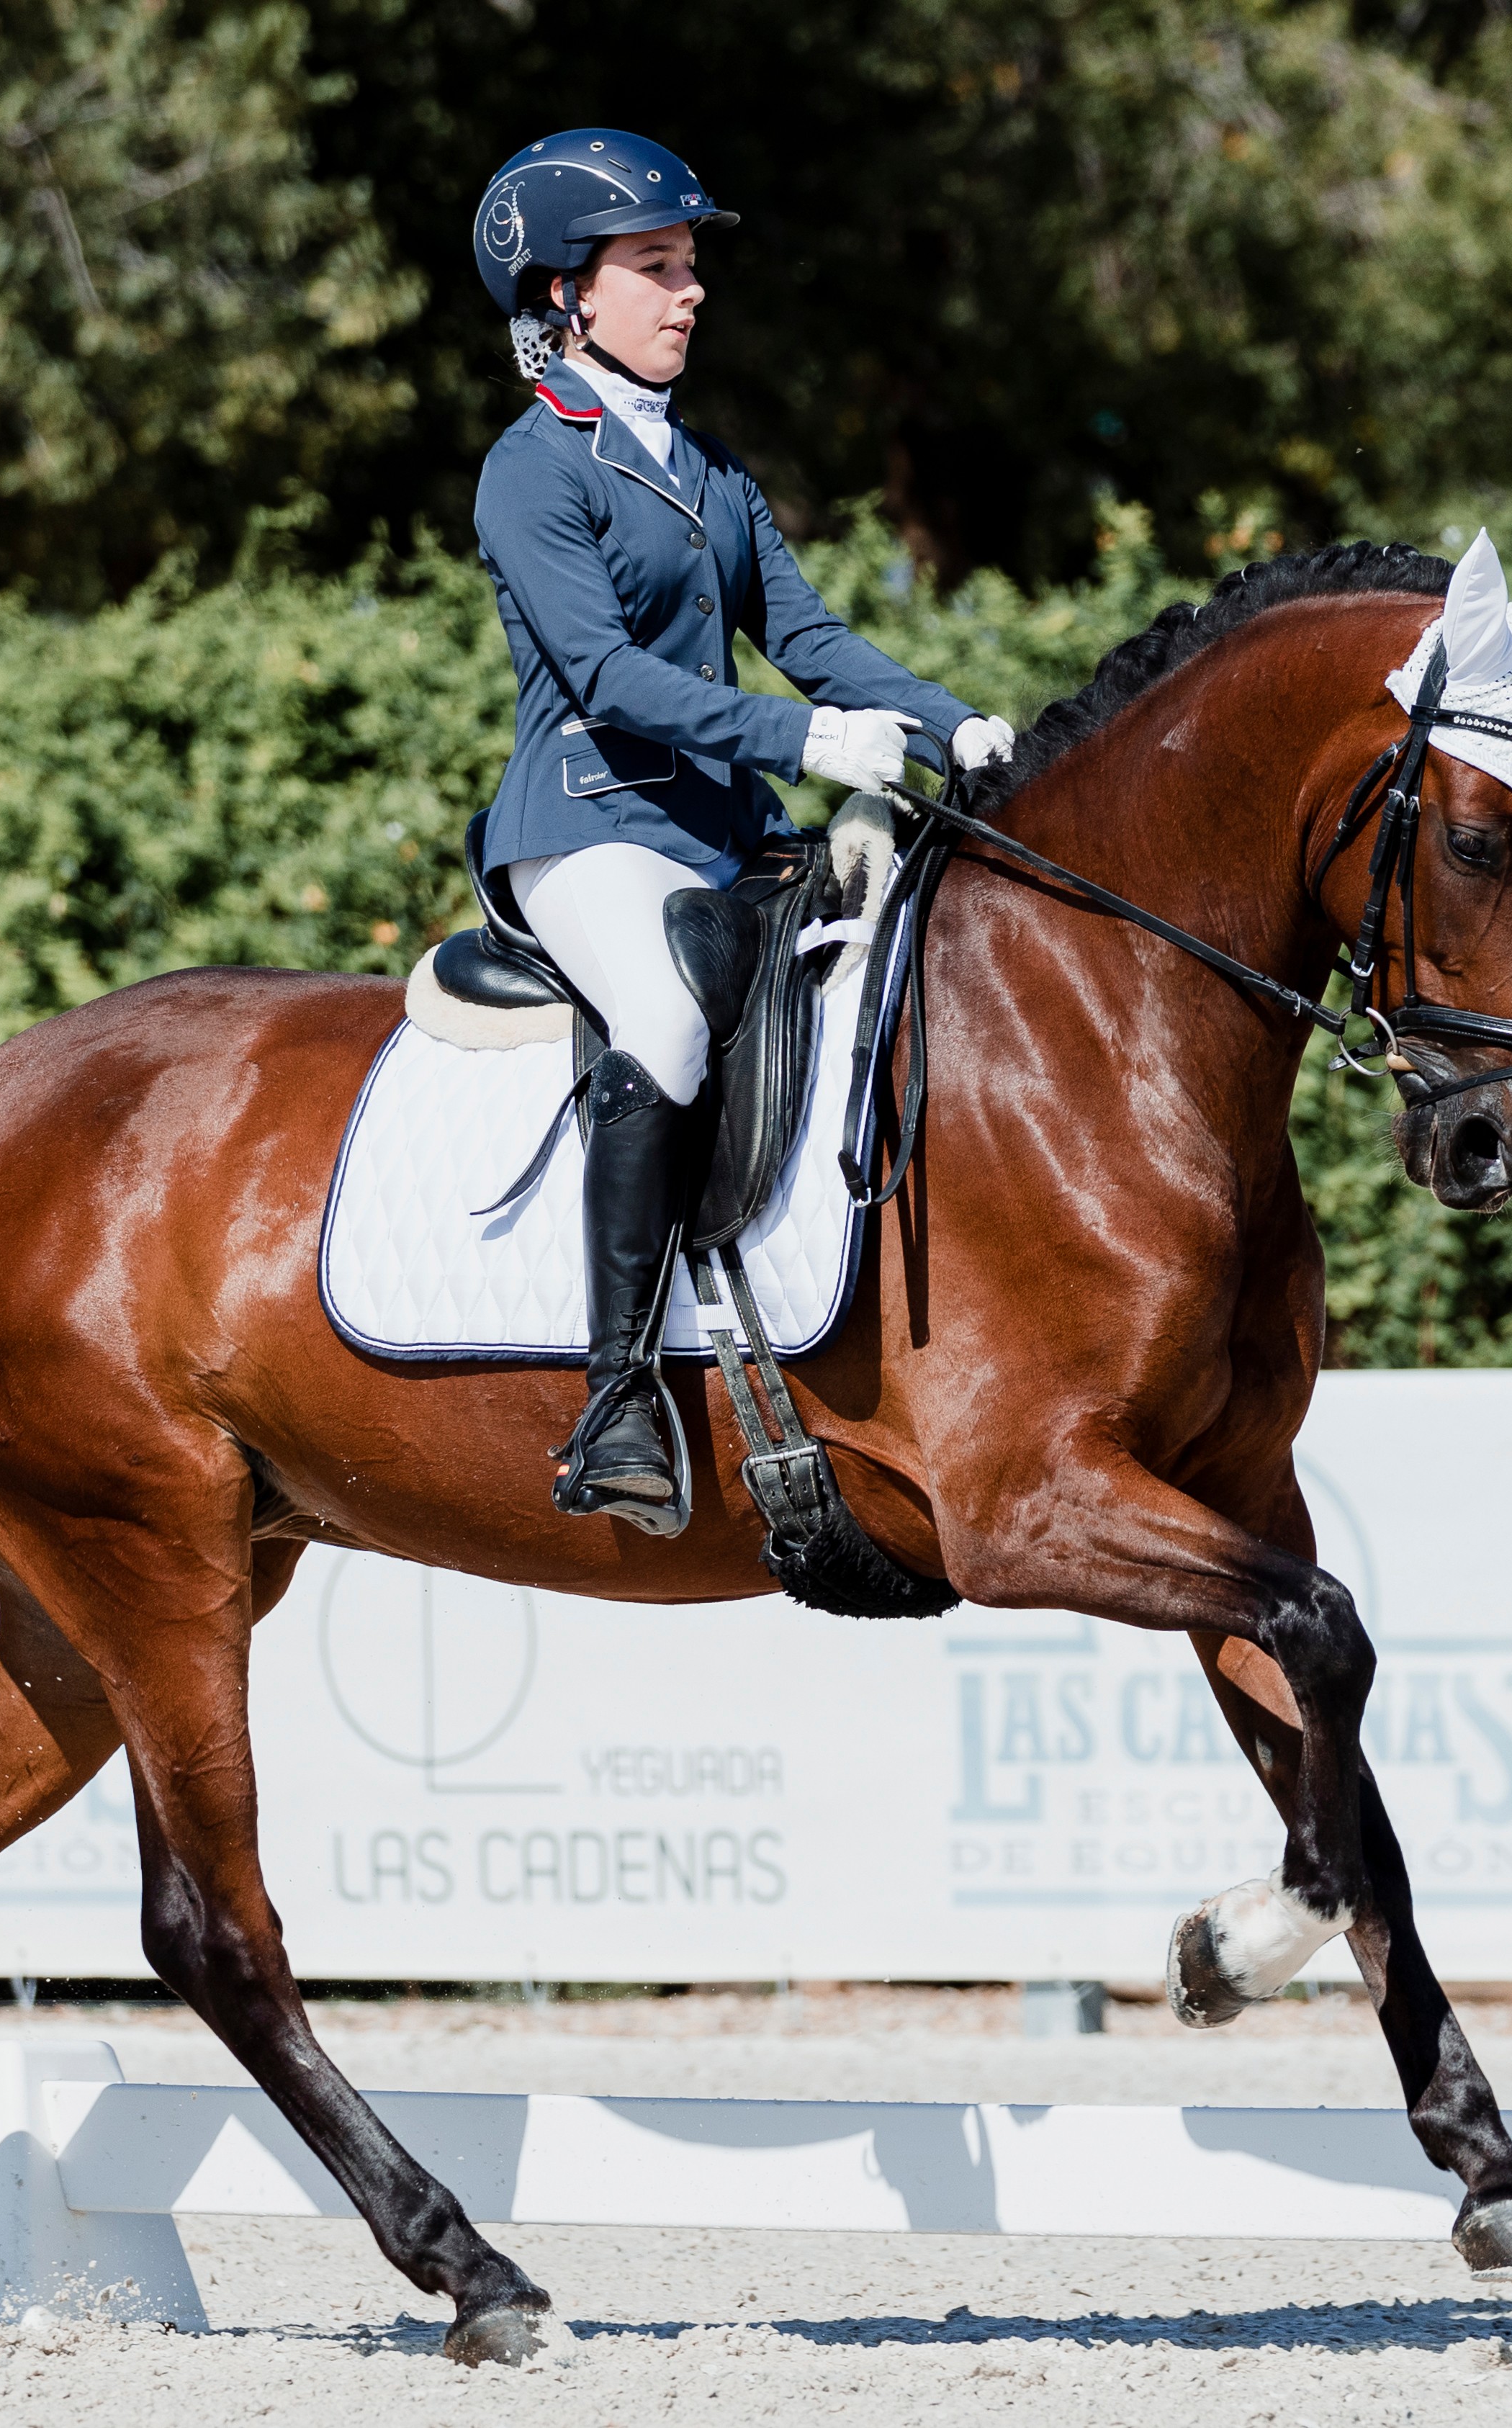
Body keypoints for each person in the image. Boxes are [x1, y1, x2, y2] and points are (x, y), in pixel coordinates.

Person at [467, 129, 1017, 1534]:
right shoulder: (537, 469)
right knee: (658, 1019)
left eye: (691, 264)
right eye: (657, 266)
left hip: (720, 829)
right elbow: (607, 675)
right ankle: (615, 1403)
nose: (690, 290)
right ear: (564, 296)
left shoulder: (708, 469)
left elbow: (813, 635)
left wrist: (960, 725)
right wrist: (805, 741)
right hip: (590, 828)